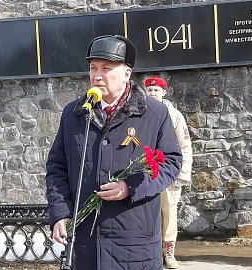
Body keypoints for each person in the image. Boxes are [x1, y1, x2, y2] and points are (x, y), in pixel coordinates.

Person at [46, 35, 182, 270]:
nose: (97, 75)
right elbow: (57, 167)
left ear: (127, 73)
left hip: (136, 243)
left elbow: (171, 162)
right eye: (93, 68)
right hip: (88, 242)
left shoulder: (155, 114)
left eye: (106, 69)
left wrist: (131, 187)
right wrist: (60, 212)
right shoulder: (74, 114)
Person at [145, 77, 193, 269]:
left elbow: (184, 146)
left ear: (164, 92)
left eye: (156, 90)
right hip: (147, 172)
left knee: (169, 212)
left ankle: (169, 253)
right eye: (149, 90)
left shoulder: (174, 115)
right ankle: (152, 252)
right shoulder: (141, 113)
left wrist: (180, 173)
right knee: (148, 214)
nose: (153, 93)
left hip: (168, 172)